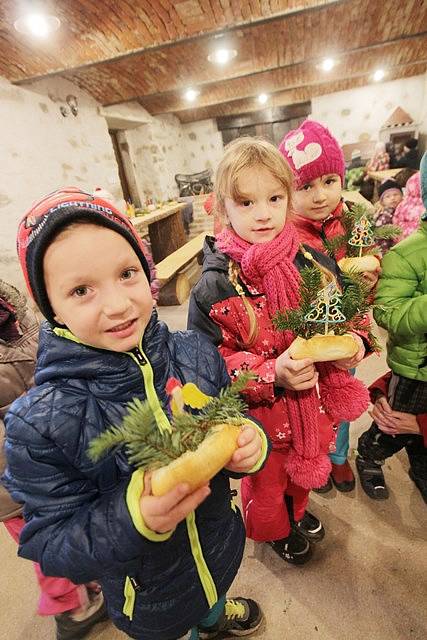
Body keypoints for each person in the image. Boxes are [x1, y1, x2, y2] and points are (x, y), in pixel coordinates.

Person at [2, 187, 268, 640]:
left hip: (218, 542)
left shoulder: (195, 352)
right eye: (82, 289)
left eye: (127, 274)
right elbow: (51, 544)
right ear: (53, 308)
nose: (118, 304)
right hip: (146, 593)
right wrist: (133, 517)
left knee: (211, 597)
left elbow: (232, 413)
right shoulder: (38, 422)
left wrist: (250, 441)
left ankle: (214, 616)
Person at [188, 137, 369, 565]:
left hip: (312, 408)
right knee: (266, 486)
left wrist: (354, 344)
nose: (264, 213)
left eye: (274, 198)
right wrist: (273, 372)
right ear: (223, 208)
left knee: (303, 476)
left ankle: (298, 511)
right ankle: (274, 531)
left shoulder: (314, 261)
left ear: (289, 198)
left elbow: (348, 314)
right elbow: (206, 365)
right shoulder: (215, 284)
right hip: (260, 421)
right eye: (246, 203)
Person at [0, 279, 107, 640]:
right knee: (50, 547)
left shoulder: (17, 318)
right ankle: (71, 613)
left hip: (56, 461)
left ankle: (87, 584)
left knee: (72, 529)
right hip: (16, 484)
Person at [279, 120, 375, 494]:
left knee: (344, 393)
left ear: (341, 179)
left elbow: (368, 264)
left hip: (344, 333)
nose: (320, 195)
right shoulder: (285, 234)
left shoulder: (352, 224)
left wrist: (371, 279)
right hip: (304, 335)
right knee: (309, 404)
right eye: (305, 186)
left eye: (329, 181)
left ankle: (339, 457)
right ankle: (316, 456)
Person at [356, 151, 427, 503]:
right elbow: (387, 312)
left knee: (419, 431)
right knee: (395, 422)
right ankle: (369, 452)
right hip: (416, 367)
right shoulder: (407, 254)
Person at [373, 179, 403, 253]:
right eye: (388, 196)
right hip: (388, 250)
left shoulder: (403, 209)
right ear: (382, 202)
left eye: (395, 194)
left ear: (402, 196)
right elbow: (381, 238)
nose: (392, 198)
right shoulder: (384, 217)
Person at [393, 172, 424, 240]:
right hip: (420, 242)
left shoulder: (402, 204)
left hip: (401, 242)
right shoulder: (424, 206)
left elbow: (395, 220)